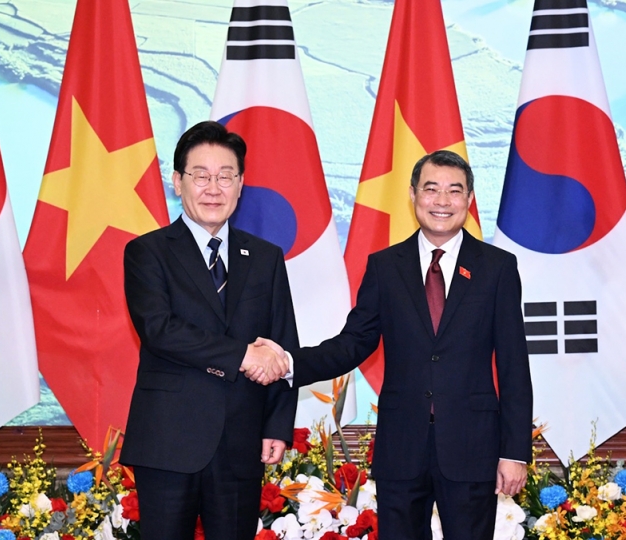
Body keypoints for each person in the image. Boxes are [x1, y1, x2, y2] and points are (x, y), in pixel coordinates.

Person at [260, 149, 533, 539]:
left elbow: (513, 365)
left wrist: (513, 452)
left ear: (469, 200)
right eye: (431, 189)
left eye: (454, 191)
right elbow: (353, 344)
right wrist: (288, 362)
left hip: (474, 448)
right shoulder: (386, 267)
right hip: (401, 448)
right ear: (413, 195)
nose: (442, 201)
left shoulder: (497, 267)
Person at [120, 121, 295, 540]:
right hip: (168, 440)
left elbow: (281, 342)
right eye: (200, 175)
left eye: (225, 176)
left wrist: (277, 424)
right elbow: (160, 330)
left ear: (240, 185)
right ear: (177, 181)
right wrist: (241, 355)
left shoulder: (266, 257)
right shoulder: (147, 252)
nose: (212, 188)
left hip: (241, 441)